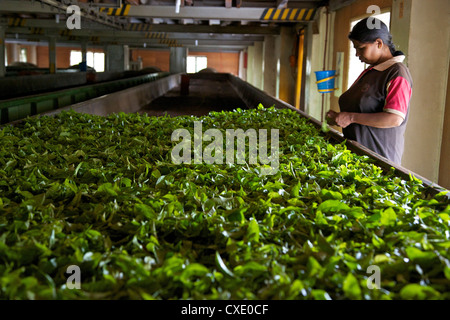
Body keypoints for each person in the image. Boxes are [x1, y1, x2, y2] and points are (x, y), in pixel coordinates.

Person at [326, 17, 413, 165]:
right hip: (358, 156)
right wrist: (340, 117)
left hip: (378, 161)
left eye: (361, 48)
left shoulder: (397, 73)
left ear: (378, 43)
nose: (357, 54)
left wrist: (351, 117)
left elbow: (394, 118)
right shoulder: (373, 71)